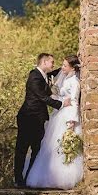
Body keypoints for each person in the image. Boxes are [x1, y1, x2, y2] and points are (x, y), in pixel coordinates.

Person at [25, 55, 83, 189]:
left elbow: (74, 102)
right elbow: (60, 96)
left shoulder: (74, 82)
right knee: (52, 146)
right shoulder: (66, 79)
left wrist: (71, 121)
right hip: (59, 113)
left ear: (72, 68)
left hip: (67, 115)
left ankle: (63, 177)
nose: (61, 68)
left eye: (64, 66)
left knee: (62, 146)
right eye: (61, 65)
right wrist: (57, 96)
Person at [14, 53, 66, 187]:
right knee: (22, 149)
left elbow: (52, 74)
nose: (53, 64)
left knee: (37, 149)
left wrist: (66, 67)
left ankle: (30, 178)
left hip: (38, 119)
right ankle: (19, 180)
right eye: (52, 62)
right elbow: (43, 97)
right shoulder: (34, 77)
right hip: (28, 118)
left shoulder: (43, 75)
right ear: (44, 62)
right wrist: (61, 104)